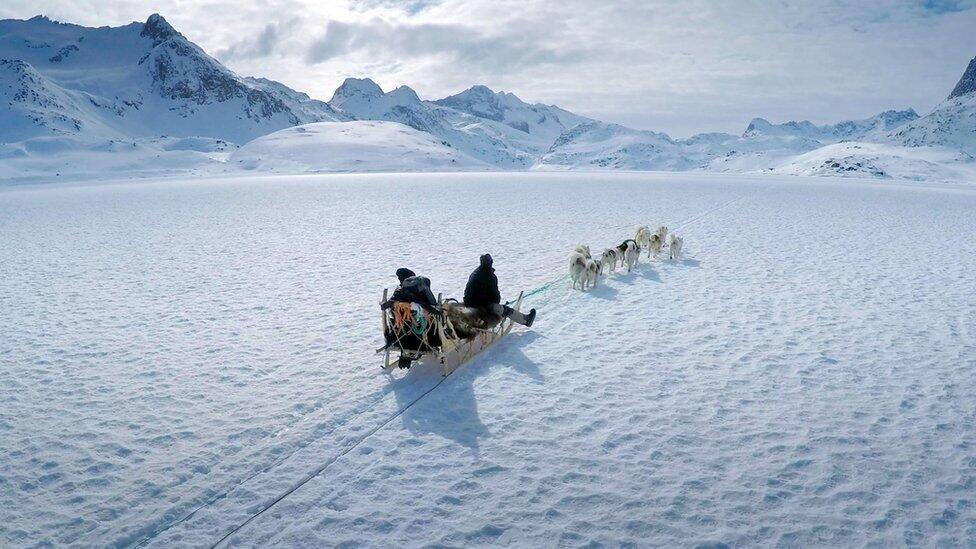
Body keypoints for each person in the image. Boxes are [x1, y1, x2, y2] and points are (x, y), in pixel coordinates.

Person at [463, 253, 536, 327]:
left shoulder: (474, 273)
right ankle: (526, 320)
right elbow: (496, 298)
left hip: (468, 304)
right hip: (480, 308)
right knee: (503, 309)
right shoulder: (490, 277)